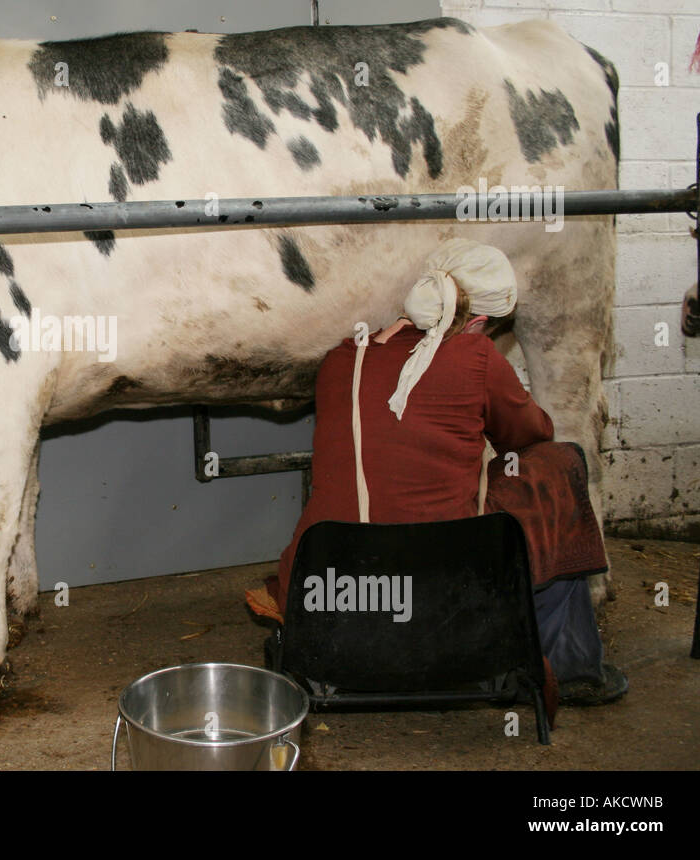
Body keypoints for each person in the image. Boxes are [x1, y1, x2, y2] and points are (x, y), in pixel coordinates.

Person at [247, 239, 627, 705]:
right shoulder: (478, 356)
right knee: (559, 465)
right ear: (482, 321)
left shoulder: (340, 359)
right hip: (442, 595)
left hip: (332, 587)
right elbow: (532, 434)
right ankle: (570, 667)